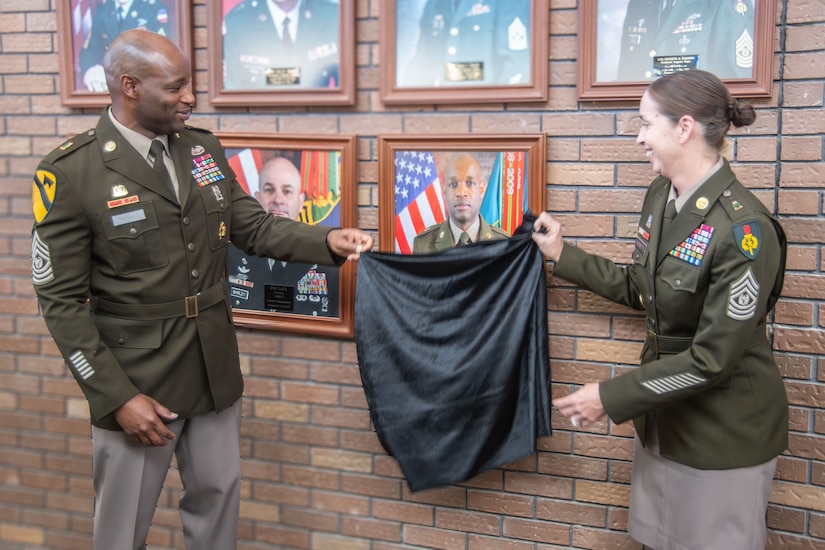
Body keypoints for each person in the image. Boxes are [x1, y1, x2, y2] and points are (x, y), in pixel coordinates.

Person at [30, 29, 372, 550]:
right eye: (176, 87)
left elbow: (254, 227)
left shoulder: (202, 148)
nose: (191, 97)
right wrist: (117, 396)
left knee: (217, 508)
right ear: (129, 87)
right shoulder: (72, 172)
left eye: (190, 84)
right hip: (138, 380)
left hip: (212, 365)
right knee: (122, 530)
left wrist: (328, 239)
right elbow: (60, 302)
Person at [533, 69, 787, 549]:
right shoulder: (660, 197)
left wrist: (609, 397)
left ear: (684, 128)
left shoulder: (744, 229)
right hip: (665, 425)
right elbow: (642, 288)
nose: (639, 138)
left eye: (646, 124)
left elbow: (712, 359)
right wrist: (562, 255)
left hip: (721, 436)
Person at [226, 156, 340, 316]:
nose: (278, 200)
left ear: (300, 202)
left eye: (287, 191)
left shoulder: (326, 260)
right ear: (257, 198)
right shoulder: (231, 254)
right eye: (269, 190)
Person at [401, 0, 530, 87]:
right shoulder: (435, 4)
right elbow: (421, 64)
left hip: (486, 106)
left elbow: (516, 64)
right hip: (444, 110)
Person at [618, 0, 755, 81]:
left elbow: (735, 82)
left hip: (693, 116)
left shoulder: (724, 2)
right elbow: (626, 73)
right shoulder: (639, 3)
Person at [222, 0, 340, 89]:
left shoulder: (332, 16)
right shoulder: (236, 23)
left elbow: (345, 92)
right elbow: (234, 94)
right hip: (262, 118)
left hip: (318, 116)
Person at [413, 152, 509, 253]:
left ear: (481, 190)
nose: (461, 192)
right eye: (453, 184)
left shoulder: (504, 244)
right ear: (444, 192)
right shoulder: (422, 244)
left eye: (469, 183)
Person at [79, 0, 172, 91]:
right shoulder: (103, 8)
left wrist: (114, 75)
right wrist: (90, 71)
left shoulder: (154, 8)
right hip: (109, 86)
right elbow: (92, 48)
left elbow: (161, 55)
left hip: (142, 86)